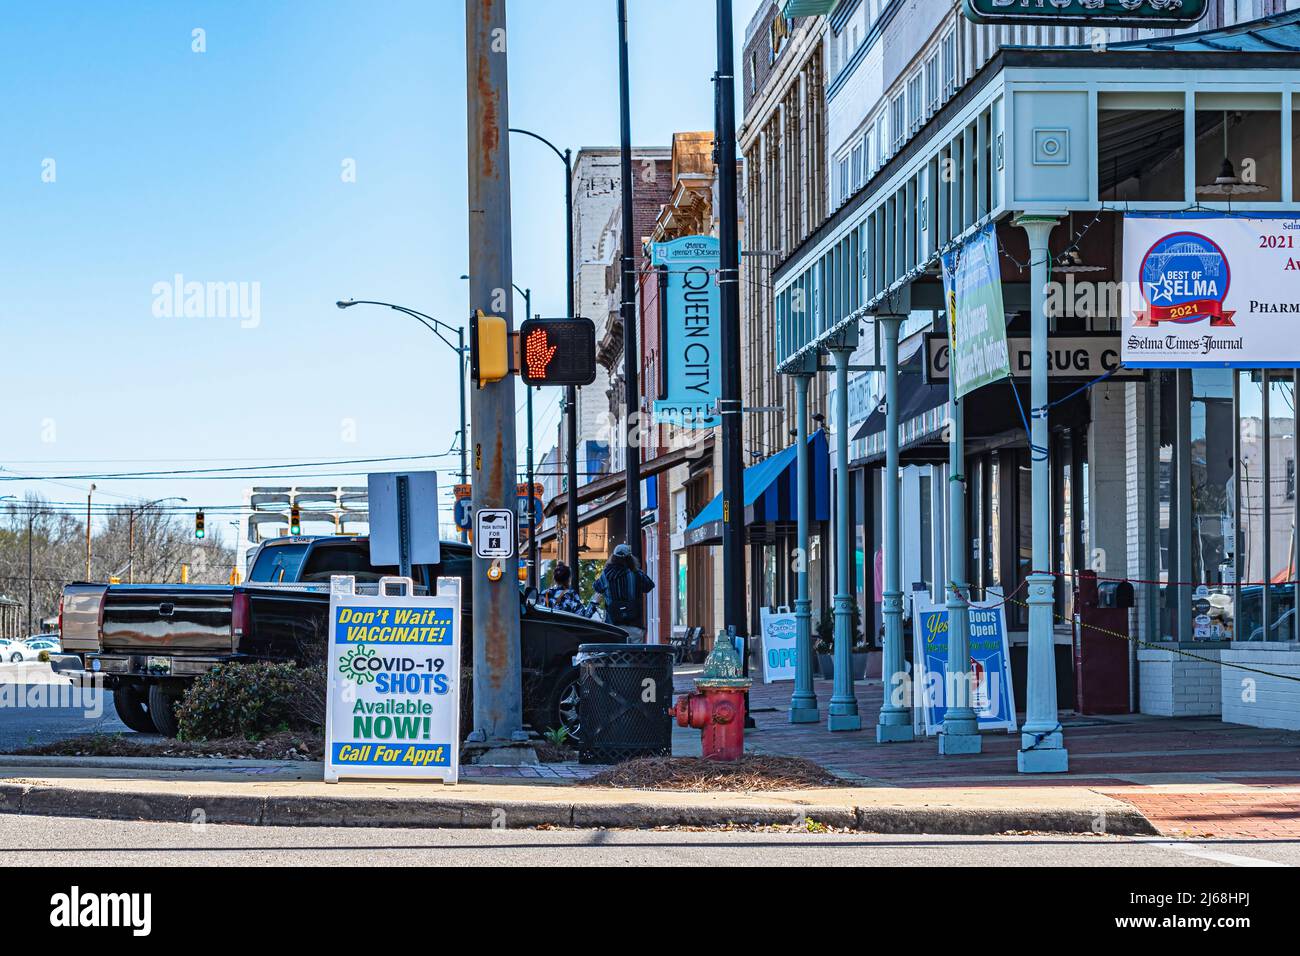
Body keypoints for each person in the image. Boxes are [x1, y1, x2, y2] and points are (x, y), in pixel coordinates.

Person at [593, 543, 655, 643]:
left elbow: (596, 587)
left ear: (613, 558)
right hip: (634, 625)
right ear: (630, 559)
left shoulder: (606, 576)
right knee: (635, 655)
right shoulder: (637, 575)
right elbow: (649, 586)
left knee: (614, 655)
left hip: (613, 625)